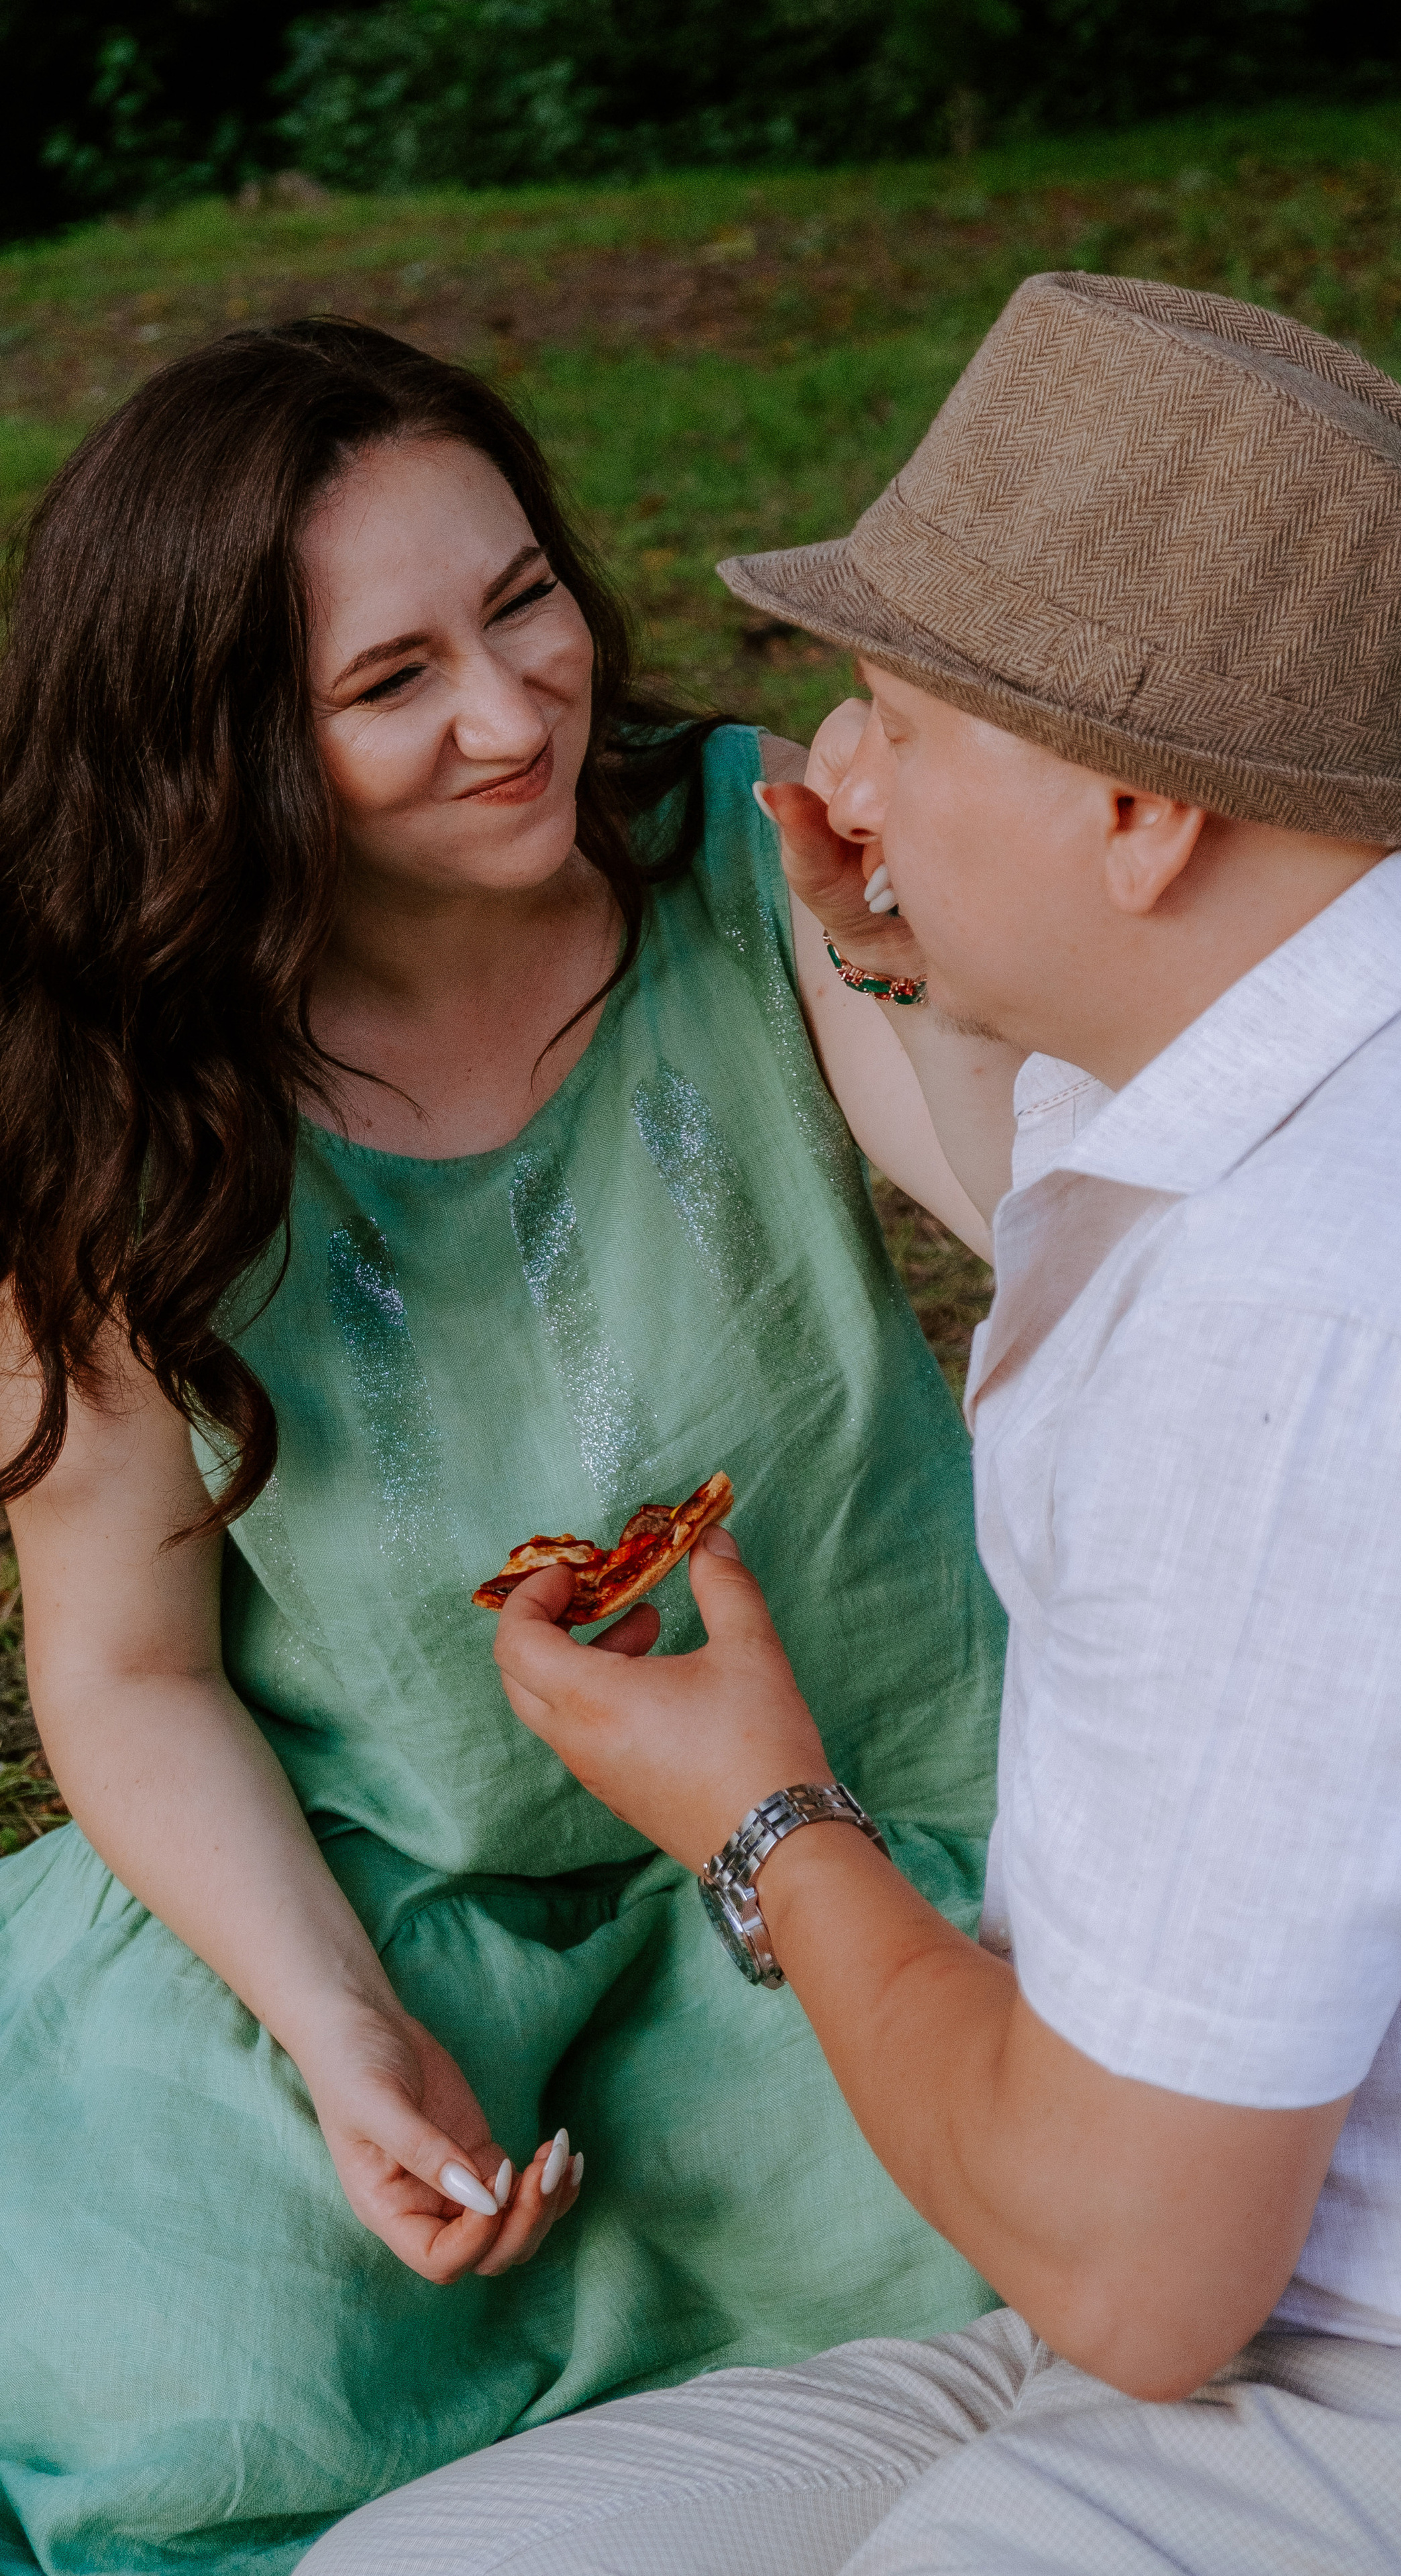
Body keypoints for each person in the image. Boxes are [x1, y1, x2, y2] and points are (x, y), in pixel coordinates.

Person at [0, 319, 1011, 2574]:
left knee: (969, 2244)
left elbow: (1025, 1220)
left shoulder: (730, 849)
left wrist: (919, 967)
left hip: (858, 1825)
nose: (516, 715)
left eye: (525, 604)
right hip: (404, 1889)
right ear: (218, 755)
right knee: (185, 2380)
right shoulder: (132, 1114)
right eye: (390, 682)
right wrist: (330, 2028)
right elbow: (127, 1669)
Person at [297, 273, 1401, 2574]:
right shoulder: (1278, 1090)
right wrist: (934, 965)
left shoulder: (1287, 1326)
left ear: (1137, 812)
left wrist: (765, 1817)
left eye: (897, 714)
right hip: (1212, 2244)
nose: (834, 782)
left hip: (1288, 2341)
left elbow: (1141, 2275)